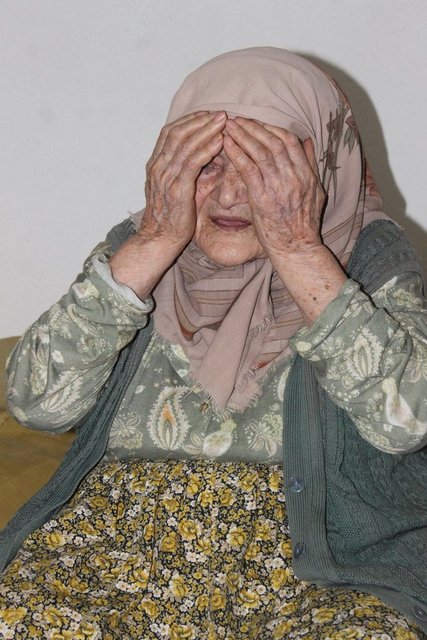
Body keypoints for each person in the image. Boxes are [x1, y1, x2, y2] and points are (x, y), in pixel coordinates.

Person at [0, 47, 426, 639]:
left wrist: (298, 249)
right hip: (111, 558)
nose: (227, 196)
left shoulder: (368, 254)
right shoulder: (138, 247)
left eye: (261, 169)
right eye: (204, 165)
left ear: (321, 166)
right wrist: (153, 240)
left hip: (314, 572)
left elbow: (405, 421)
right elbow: (37, 403)